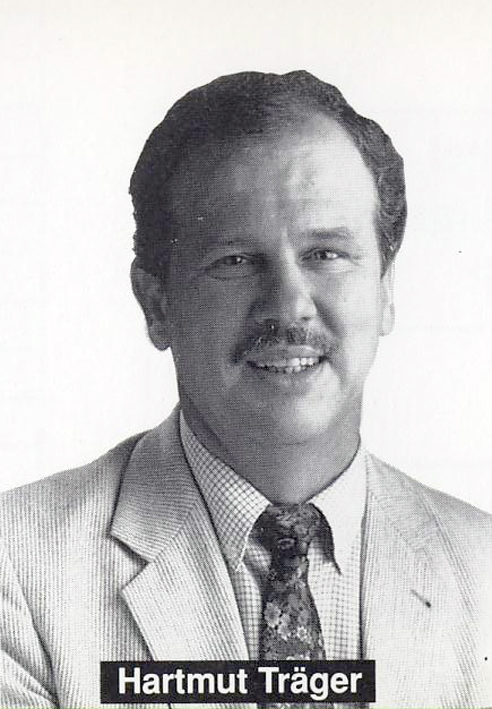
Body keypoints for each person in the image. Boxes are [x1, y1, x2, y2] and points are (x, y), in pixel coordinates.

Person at [1, 71, 491, 709]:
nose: (290, 305)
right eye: (235, 260)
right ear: (156, 304)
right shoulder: (19, 568)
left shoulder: (482, 572)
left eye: (325, 254)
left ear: (386, 291)